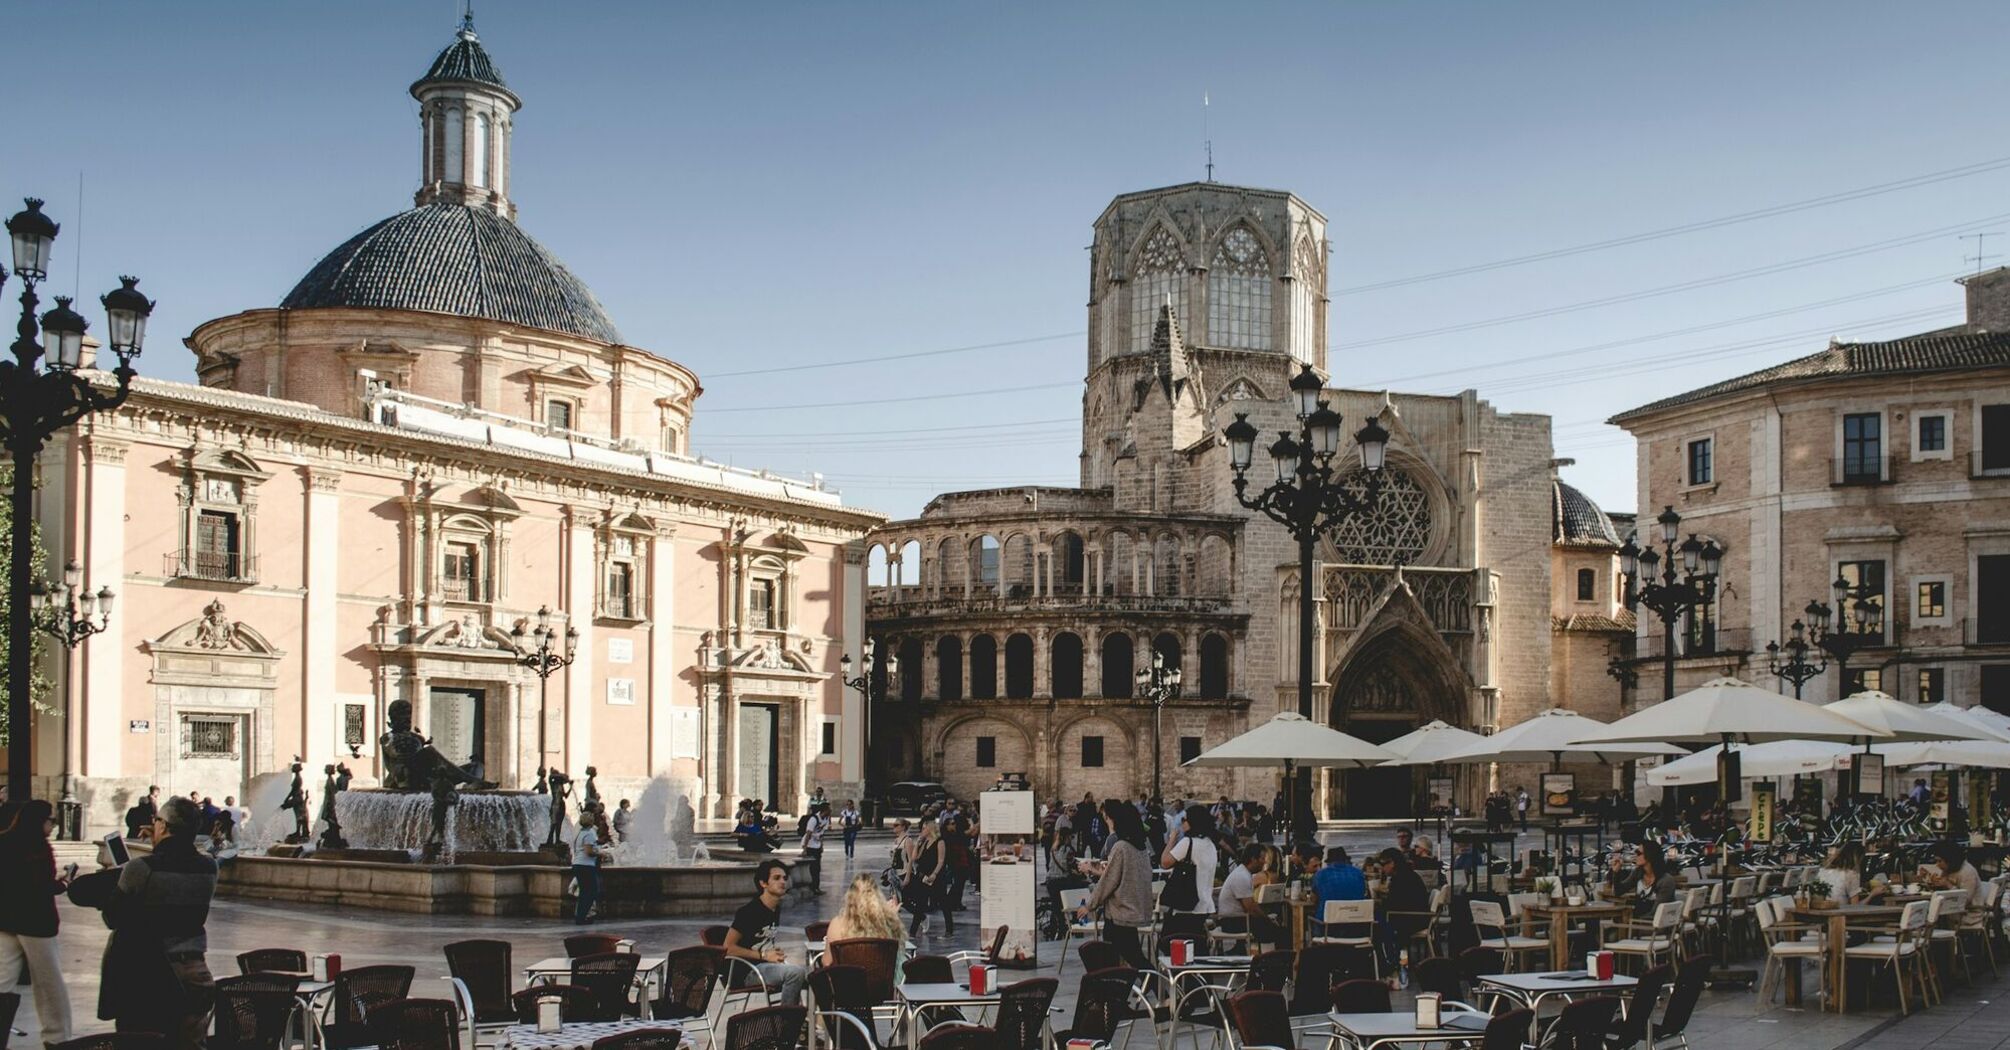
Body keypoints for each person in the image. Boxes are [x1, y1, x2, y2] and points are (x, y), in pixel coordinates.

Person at [75, 795, 218, 1048]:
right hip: (194, 969)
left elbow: (113, 917)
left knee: (142, 1040)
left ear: (162, 826)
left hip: (148, 973)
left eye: (157, 820)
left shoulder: (141, 868)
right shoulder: (209, 867)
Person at [0, 800, 76, 1047]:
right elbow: (41, 886)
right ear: (38, 821)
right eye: (51, 820)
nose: (54, 825)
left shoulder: (4, 841)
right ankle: (58, 1037)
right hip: (36, 923)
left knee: (3, 981)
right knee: (49, 982)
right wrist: (63, 883)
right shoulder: (39, 848)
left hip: (6, 920)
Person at [1077, 798, 1154, 971]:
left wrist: (1089, 906)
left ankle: (1157, 987)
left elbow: (1108, 881)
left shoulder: (1121, 847)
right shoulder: (1139, 848)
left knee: (1125, 958)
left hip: (1120, 914)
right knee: (1130, 957)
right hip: (1131, 911)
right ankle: (1146, 987)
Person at [725, 860, 807, 1005]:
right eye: (776, 878)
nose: (783, 882)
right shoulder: (749, 912)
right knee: (795, 973)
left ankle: (817, 1022)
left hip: (765, 966)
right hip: (746, 972)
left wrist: (772, 952)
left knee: (816, 976)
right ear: (763, 883)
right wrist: (763, 955)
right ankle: (788, 1021)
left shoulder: (775, 908)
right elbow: (728, 948)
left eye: (784, 878)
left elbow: (760, 940)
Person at [1161, 805, 1220, 917]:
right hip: (1205, 905)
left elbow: (1165, 863)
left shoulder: (1187, 843)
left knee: (1172, 934)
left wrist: (1171, 840)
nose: (1183, 822)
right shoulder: (1210, 844)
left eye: (1185, 819)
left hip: (1186, 906)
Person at [904, 819, 954, 936]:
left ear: (930, 829)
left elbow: (941, 861)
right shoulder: (925, 842)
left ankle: (949, 929)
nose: (922, 831)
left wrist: (935, 874)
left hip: (936, 877)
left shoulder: (939, 842)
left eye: (924, 828)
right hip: (923, 877)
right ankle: (912, 931)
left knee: (943, 903)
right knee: (920, 903)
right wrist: (918, 843)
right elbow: (915, 857)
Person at [826, 872, 906, 942]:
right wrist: (892, 919)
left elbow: (827, 960)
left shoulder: (837, 925)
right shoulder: (884, 925)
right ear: (877, 897)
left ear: (850, 897)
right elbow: (896, 952)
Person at [571, 807, 606, 924]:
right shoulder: (590, 833)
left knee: (584, 892)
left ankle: (580, 916)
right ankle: (581, 917)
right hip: (586, 865)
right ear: (590, 821)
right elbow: (588, 851)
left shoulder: (580, 832)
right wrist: (600, 853)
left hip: (578, 864)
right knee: (591, 892)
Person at [1924, 840, 1982, 906]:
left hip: (1968, 913)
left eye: (1940, 861)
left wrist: (1948, 885)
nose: (1937, 865)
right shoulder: (1948, 868)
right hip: (1950, 910)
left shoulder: (1968, 872)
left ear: (1950, 860)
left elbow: (1964, 900)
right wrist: (1935, 885)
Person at [1314, 846, 1369, 911]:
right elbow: (1363, 893)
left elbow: (1315, 897)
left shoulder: (1321, 874)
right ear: (1345, 860)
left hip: (1328, 918)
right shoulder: (1358, 873)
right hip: (1355, 917)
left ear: (1329, 862)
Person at [801, 804, 831, 893]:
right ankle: (813, 887)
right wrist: (805, 849)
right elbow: (808, 834)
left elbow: (822, 833)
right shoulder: (813, 819)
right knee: (813, 867)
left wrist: (821, 845)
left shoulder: (826, 819)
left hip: (817, 845)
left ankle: (816, 887)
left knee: (817, 868)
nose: (830, 812)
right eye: (829, 810)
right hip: (810, 845)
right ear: (824, 811)